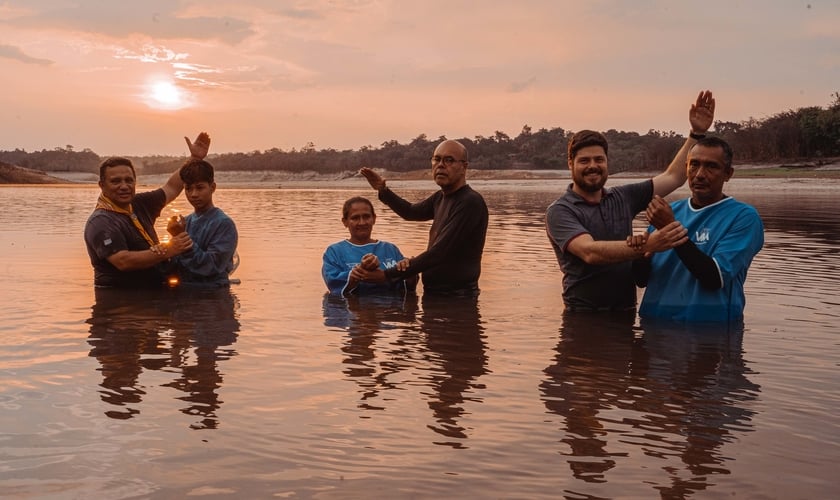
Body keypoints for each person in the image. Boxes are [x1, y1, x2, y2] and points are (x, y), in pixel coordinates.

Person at [545, 90, 715, 312]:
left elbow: (673, 177)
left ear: (607, 162)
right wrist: (648, 245)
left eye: (599, 159)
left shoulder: (623, 197)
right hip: (583, 318)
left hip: (626, 312)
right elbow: (590, 252)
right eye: (584, 161)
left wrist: (696, 134)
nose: (592, 166)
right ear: (570, 163)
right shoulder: (560, 211)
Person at [633, 136, 764, 322]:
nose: (700, 174)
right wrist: (638, 254)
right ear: (686, 168)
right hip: (655, 327)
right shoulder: (669, 211)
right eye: (694, 165)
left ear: (728, 174)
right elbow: (642, 280)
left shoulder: (744, 217)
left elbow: (714, 278)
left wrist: (670, 227)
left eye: (711, 166)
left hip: (709, 331)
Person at [359, 139, 488, 296]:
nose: (441, 165)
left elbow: (439, 252)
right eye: (437, 159)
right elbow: (410, 212)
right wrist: (383, 190)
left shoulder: (470, 202)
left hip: (458, 297)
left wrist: (386, 275)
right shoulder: (441, 197)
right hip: (435, 295)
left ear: (464, 167)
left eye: (449, 160)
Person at [84, 133, 210, 288]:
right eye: (115, 181)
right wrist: (169, 249)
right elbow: (123, 261)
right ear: (102, 185)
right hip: (119, 301)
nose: (124, 186)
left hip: (154, 291)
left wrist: (194, 159)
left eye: (129, 180)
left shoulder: (138, 203)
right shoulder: (101, 221)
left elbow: (171, 188)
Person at [322, 196, 417, 296]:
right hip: (353, 309)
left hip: (389, 308)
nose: (362, 222)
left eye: (366, 216)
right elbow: (332, 284)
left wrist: (410, 269)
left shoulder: (390, 249)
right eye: (355, 218)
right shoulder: (334, 251)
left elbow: (409, 288)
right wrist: (354, 276)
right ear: (345, 222)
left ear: (374, 219)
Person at [167, 158, 239, 287]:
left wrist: (182, 238)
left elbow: (210, 267)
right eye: (188, 189)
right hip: (185, 294)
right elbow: (175, 266)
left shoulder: (224, 224)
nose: (194, 194)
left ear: (212, 187)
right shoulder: (186, 222)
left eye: (200, 188)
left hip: (212, 296)